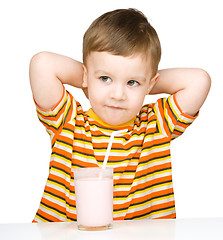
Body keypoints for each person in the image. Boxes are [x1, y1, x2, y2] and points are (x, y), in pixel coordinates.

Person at [29, 8, 211, 222]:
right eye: (105, 78)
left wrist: (141, 82)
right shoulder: (69, 121)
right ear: (86, 75)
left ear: (150, 84)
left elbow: (199, 80)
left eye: (131, 83)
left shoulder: (156, 125)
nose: (118, 95)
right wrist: (90, 79)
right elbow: (41, 64)